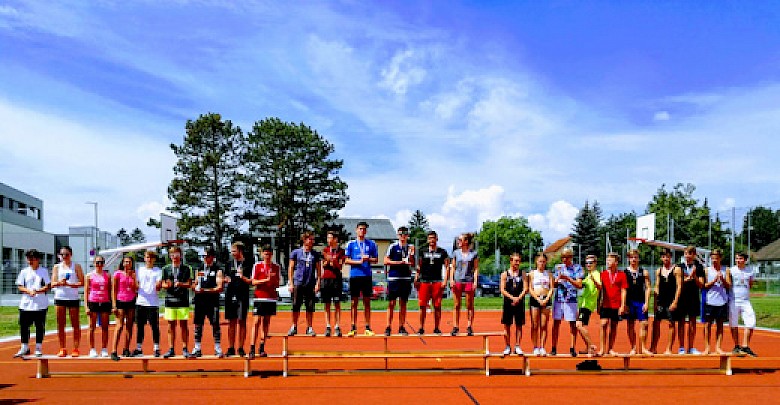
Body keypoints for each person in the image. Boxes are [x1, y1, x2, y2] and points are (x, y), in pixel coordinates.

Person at [344, 221, 379, 336]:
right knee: (354, 302)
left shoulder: (371, 244)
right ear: (356, 230)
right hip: (355, 275)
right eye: (360, 229)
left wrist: (368, 259)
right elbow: (346, 260)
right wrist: (359, 261)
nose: (362, 231)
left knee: (367, 302)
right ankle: (353, 327)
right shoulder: (351, 244)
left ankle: (368, 327)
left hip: (366, 276)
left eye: (364, 229)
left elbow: (376, 260)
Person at [14, 249, 50, 358]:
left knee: (39, 326)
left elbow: (48, 286)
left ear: (37, 259)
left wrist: (37, 291)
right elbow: (20, 286)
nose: (30, 261)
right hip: (26, 304)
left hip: (40, 304)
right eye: (28, 259)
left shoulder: (43, 271)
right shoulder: (24, 271)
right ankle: (24, 346)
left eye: (32, 259)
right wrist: (28, 291)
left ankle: (38, 347)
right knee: (24, 326)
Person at [50, 245, 84, 357]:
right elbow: (52, 283)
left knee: (75, 324)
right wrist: (60, 282)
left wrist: (70, 284)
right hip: (60, 297)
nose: (64, 257)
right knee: (60, 324)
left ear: (71, 255)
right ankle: (62, 348)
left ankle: (75, 348)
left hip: (73, 298)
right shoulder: (57, 267)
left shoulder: (76, 266)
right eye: (62, 254)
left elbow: (82, 282)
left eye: (67, 254)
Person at [415, 231, 450, 335]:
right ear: (427, 240)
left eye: (433, 238)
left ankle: (437, 328)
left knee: (437, 305)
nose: (431, 240)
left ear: (437, 239)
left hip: (437, 281)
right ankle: (421, 327)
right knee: (422, 305)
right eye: (430, 238)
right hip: (424, 281)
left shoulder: (442, 252)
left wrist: (445, 280)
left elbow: (447, 266)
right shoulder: (422, 251)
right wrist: (417, 278)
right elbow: (419, 266)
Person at [287, 232, 322, 336]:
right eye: (310, 239)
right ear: (304, 240)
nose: (312, 241)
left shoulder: (315, 254)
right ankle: (294, 326)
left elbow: (319, 270)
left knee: (310, 307)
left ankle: (309, 327)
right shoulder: (296, 252)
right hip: (298, 282)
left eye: (313, 239)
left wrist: (318, 283)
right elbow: (291, 268)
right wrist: (291, 283)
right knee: (295, 306)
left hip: (310, 283)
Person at [161, 246, 193, 358]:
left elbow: (190, 284)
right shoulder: (165, 269)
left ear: (181, 255)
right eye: (172, 255)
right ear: (170, 256)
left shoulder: (187, 268)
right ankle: (171, 349)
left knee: (183, 325)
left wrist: (180, 284)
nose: (175, 257)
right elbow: (163, 284)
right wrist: (167, 285)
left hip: (182, 300)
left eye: (177, 254)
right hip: (170, 300)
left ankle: (185, 348)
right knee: (171, 326)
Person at [550, 248, 583, 357]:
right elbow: (553, 284)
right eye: (563, 257)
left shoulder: (577, 268)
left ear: (571, 257)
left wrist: (567, 278)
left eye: (566, 257)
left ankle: (572, 347)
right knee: (556, 323)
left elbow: (579, 285)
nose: (564, 259)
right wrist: (556, 280)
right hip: (559, 299)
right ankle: (554, 347)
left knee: (572, 324)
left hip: (571, 299)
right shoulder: (558, 268)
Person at [650, 248, 682, 355]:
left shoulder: (676, 269)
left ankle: (669, 348)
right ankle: (653, 347)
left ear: (671, 257)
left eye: (667, 256)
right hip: (661, 301)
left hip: (671, 300)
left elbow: (679, 286)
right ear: (661, 258)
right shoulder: (658, 271)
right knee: (656, 323)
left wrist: (675, 301)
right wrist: (655, 302)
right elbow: (657, 286)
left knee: (671, 324)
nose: (665, 259)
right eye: (663, 256)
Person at [192, 247, 224, 358]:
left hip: (212, 301)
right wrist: (194, 287)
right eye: (203, 256)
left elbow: (219, 287)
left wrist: (205, 290)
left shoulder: (218, 270)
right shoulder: (199, 269)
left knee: (215, 324)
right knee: (198, 325)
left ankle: (218, 348)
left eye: (207, 256)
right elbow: (195, 283)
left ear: (212, 257)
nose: (205, 258)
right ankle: (197, 348)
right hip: (200, 301)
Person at [384, 226, 415, 336]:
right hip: (394, 278)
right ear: (398, 235)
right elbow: (385, 261)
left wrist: (411, 255)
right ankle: (388, 326)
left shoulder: (410, 247)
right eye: (401, 234)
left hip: (405, 278)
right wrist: (398, 263)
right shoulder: (392, 247)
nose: (403, 236)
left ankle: (401, 326)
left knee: (403, 303)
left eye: (405, 234)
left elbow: (412, 263)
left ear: (407, 236)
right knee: (391, 303)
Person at [250, 245, 280, 358]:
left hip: (271, 298)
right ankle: (252, 347)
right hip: (259, 297)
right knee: (256, 321)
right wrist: (265, 280)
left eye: (269, 254)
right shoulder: (257, 266)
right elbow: (253, 282)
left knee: (266, 322)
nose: (267, 256)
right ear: (262, 254)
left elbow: (278, 284)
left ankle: (262, 346)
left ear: (272, 255)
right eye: (265, 254)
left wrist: (273, 280)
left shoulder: (276, 267)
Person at [224, 241, 253, 357]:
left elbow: (251, 280)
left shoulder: (248, 264)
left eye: (234, 251)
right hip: (230, 295)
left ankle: (240, 347)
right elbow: (224, 275)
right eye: (231, 251)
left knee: (242, 321)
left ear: (240, 251)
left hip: (243, 295)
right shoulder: (229, 263)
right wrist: (225, 279)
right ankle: (231, 347)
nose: (232, 253)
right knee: (231, 322)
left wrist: (243, 277)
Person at [675, 246, 705, 355]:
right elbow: (677, 283)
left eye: (690, 254)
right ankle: (681, 347)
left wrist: (695, 277)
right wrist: (688, 278)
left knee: (692, 323)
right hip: (682, 297)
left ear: (694, 255)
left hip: (693, 297)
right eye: (686, 253)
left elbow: (702, 285)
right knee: (681, 323)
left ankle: (691, 347)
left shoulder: (699, 267)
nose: (688, 256)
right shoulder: (679, 266)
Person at [133, 250, 163, 357]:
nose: (149, 259)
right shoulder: (139, 270)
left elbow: (159, 285)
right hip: (141, 301)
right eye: (147, 257)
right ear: (144, 258)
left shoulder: (158, 271)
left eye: (151, 257)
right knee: (140, 326)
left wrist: (159, 285)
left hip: (153, 302)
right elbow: (136, 283)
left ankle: (156, 348)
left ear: (154, 259)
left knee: (154, 326)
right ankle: (139, 348)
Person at [702, 249, 731, 355]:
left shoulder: (726, 270)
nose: (714, 260)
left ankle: (718, 347)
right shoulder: (707, 270)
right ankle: (707, 347)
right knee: (707, 325)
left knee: (720, 325)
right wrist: (714, 281)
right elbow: (704, 286)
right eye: (712, 258)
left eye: (716, 258)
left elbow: (729, 285)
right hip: (710, 301)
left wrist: (722, 279)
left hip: (722, 301)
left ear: (720, 258)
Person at [623, 249, 652, 355]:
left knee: (644, 323)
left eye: (635, 257)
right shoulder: (625, 273)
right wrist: (624, 304)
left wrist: (647, 302)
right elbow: (623, 289)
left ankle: (643, 348)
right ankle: (634, 347)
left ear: (638, 258)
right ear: (628, 259)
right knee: (630, 324)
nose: (633, 259)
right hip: (630, 302)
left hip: (641, 301)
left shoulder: (644, 272)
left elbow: (648, 288)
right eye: (631, 257)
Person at [450, 233, 479, 336]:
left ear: (466, 241)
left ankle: (469, 326)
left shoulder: (473, 254)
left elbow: (475, 268)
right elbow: (452, 267)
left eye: (460, 240)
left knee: (469, 304)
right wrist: (451, 279)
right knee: (457, 304)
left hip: (468, 280)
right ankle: (455, 326)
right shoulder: (456, 253)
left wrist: (475, 281)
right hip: (458, 280)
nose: (459, 242)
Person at [599, 252, 627, 356]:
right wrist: (598, 303)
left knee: (614, 326)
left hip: (616, 304)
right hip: (605, 304)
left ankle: (610, 348)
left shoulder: (621, 275)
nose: (608, 262)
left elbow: (623, 290)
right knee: (603, 324)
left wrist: (623, 305)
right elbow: (599, 290)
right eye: (607, 260)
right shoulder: (603, 274)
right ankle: (602, 348)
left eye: (610, 260)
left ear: (616, 262)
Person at [730, 252, 757, 356]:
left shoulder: (750, 271)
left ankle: (745, 346)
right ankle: (736, 346)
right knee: (734, 324)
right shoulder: (731, 270)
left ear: (745, 260)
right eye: (736, 258)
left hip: (745, 300)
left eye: (740, 259)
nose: (738, 260)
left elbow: (750, 284)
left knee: (751, 322)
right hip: (734, 300)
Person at [110, 256, 138, 361]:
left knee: (129, 326)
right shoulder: (117, 274)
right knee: (120, 326)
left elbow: (136, 288)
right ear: (122, 263)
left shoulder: (133, 274)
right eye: (125, 262)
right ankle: (113, 350)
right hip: (120, 301)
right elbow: (114, 290)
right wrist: (114, 305)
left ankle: (126, 348)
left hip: (131, 301)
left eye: (129, 262)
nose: (127, 264)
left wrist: (134, 278)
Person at [500, 253, 527, 355]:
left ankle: (517, 345)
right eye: (516, 261)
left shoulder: (523, 274)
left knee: (519, 325)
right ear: (511, 261)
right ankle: (507, 346)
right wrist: (512, 298)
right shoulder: (505, 274)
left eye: (519, 261)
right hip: (508, 302)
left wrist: (518, 298)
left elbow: (526, 288)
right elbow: (502, 290)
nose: (518, 263)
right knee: (507, 325)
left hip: (519, 302)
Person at [85, 255, 112, 358]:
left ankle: (104, 348)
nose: (99, 265)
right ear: (94, 264)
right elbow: (86, 291)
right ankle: (92, 349)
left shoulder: (108, 276)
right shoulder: (89, 276)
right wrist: (86, 307)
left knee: (105, 327)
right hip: (93, 301)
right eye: (97, 263)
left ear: (103, 264)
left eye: (101, 262)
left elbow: (109, 290)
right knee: (92, 327)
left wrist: (111, 304)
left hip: (104, 302)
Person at [576, 255, 602, 356]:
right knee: (581, 325)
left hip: (587, 305)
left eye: (590, 263)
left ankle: (591, 346)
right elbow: (580, 285)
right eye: (586, 263)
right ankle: (588, 347)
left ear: (595, 263)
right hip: (583, 304)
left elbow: (600, 286)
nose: (588, 265)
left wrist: (594, 280)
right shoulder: (588, 275)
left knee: (579, 325)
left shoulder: (595, 274)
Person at [321, 231, 345, 337]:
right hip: (326, 278)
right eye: (327, 237)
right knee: (327, 303)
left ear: (335, 239)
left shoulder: (341, 251)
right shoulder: (325, 250)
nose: (328, 240)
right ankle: (328, 326)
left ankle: (337, 326)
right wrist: (328, 261)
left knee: (337, 303)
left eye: (330, 237)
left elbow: (339, 266)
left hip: (336, 279)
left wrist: (332, 260)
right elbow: (324, 264)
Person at [528, 252, 553, 356]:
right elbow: (530, 288)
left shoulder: (549, 274)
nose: (541, 263)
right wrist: (538, 299)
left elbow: (552, 288)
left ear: (546, 262)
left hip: (546, 300)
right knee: (535, 324)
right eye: (539, 261)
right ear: (536, 262)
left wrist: (547, 298)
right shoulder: (532, 274)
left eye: (543, 261)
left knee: (544, 325)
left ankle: (542, 346)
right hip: (535, 299)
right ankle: (535, 347)